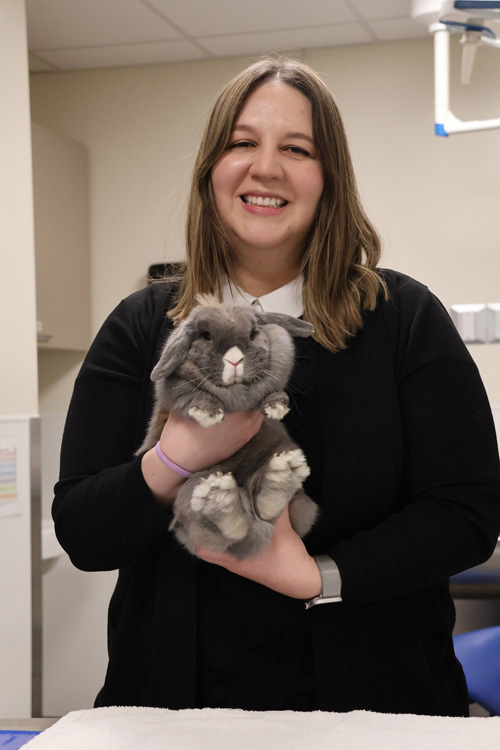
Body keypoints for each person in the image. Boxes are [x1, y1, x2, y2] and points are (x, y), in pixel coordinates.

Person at [53, 57, 500, 716]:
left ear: (329, 180)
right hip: (175, 711)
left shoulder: (403, 320)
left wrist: (318, 576)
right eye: (242, 143)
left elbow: (467, 514)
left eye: (297, 148)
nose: (266, 167)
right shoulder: (144, 324)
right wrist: (174, 458)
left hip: (379, 705)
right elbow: (83, 531)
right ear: (212, 170)